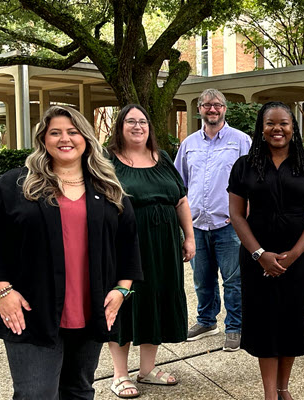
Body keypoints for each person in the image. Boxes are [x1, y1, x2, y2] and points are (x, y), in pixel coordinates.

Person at [0, 105, 143, 400]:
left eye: (73, 132)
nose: (65, 139)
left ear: (86, 139)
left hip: (91, 310)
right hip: (30, 310)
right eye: (55, 132)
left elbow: (129, 245)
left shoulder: (108, 189)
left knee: (79, 391)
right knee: (36, 394)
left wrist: (121, 290)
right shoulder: (15, 185)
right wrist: (2, 292)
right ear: (43, 139)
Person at [228, 102, 304, 400]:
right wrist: (259, 253)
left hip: (296, 258)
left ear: (293, 127)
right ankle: (270, 394)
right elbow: (235, 214)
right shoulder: (244, 165)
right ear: (261, 128)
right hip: (256, 257)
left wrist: (296, 253)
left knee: (290, 323)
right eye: (270, 123)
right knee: (264, 324)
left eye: (283, 123)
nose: (277, 129)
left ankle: (284, 388)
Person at [106, 104, 196, 398]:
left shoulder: (163, 157)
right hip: (127, 244)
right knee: (127, 302)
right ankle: (120, 374)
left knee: (157, 297)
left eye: (142, 121)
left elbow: (181, 200)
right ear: (120, 127)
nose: (137, 126)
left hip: (164, 244)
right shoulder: (108, 161)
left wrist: (189, 237)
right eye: (130, 121)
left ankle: (147, 370)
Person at [174, 88, 251, 351]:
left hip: (229, 225)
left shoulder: (241, 141)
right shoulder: (189, 144)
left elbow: (252, 181)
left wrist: (245, 215)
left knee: (233, 280)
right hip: (196, 224)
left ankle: (235, 326)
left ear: (225, 109)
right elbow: (179, 184)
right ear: (199, 109)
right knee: (201, 279)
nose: (212, 109)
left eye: (217, 105)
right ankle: (207, 321)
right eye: (207, 105)